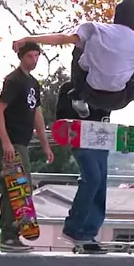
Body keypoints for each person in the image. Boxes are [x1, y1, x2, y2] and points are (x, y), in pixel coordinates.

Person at [11, 0, 134, 142]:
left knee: (78, 46)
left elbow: (61, 38)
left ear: (115, 15)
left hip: (89, 92)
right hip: (118, 99)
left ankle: (77, 96)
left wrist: (29, 39)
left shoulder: (95, 29)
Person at [0, 41, 54, 251]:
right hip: (11, 142)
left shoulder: (34, 84)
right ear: (21, 57)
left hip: (23, 142)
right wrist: (7, 143)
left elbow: (37, 114)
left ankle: (14, 233)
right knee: (14, 187)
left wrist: (45, 144)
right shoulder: (14, 80)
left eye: (37, 56)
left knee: (23, 187)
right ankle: (8, 234)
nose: (34, 60)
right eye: (30, 56)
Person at [55, 81, 112, 253]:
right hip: (81, 141)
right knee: (92, 177)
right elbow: (60, 118)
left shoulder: (107, 86)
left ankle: (87, 235)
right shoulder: (69, 88)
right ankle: (73, 228)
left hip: (102, 141)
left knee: (100, 184)